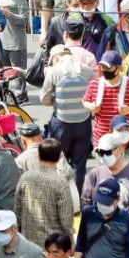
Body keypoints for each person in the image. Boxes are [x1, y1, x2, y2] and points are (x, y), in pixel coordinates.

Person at [40, 44, 95, 193]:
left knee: (57, 159)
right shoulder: (86, 70)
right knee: (79, 163)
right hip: (83, 122)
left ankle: (59, 194)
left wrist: (56, 100)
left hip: (61, 122)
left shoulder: (54, 72)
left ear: (57, 58)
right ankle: (77, 197)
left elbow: (43, 98)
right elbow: (94, 90)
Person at [13, 139, 73, 249]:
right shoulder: (60, 183)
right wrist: (70, 238)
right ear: (59, 158)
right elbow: (66, 220)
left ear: (39, 155)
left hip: (28, 241)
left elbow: (17, 209)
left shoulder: (25, 177)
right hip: (53, 245)